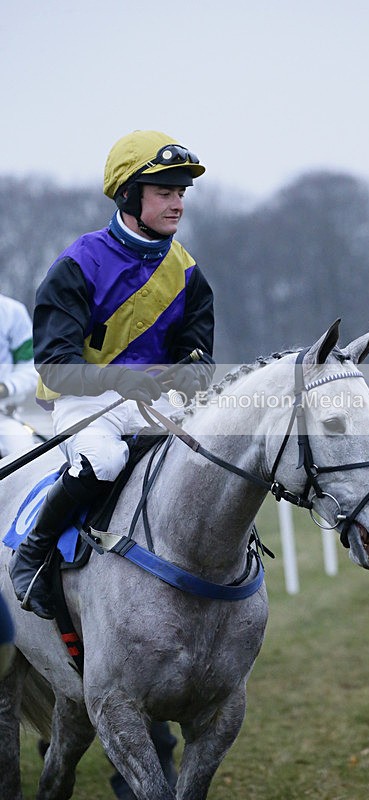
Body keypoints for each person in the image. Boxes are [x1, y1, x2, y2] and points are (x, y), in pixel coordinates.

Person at [8, 129, 215, 621]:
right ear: (128, 195)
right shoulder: (78, 264)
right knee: (103, 460)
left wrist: (184, 377)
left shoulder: (189, 273)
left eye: (181, 193)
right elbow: (56, 365)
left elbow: (201, 362)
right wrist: (122, 382)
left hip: (156, 404)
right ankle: (33, 556)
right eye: (165, 192)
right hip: (85, 403)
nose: (177, 204)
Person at [0, 293, 39, 457]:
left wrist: (6, 387)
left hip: (3, 417)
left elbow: (31, 367)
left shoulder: (12, 312)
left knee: (25, 456)